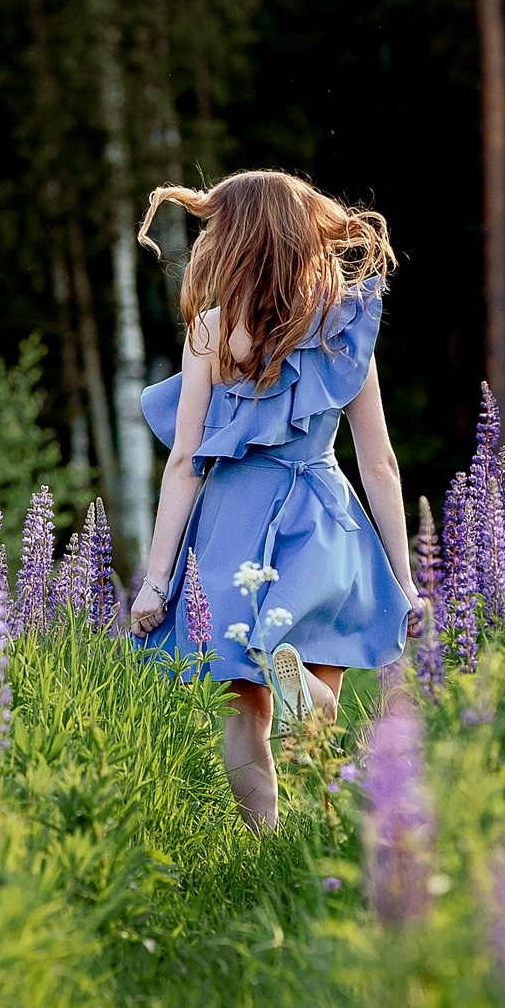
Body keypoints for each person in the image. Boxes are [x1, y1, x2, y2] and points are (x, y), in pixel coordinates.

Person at [127, 169, 426, 830]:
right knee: (315, 692)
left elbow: (184, 463)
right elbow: (378, 462)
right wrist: (403, 580)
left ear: (230, 241)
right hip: (320, 520)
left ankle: (265, 847)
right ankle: (322, 830)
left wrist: (156, 581)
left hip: (228, 529)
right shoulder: (341, 330)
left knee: (245, 710)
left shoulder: (211, 331)